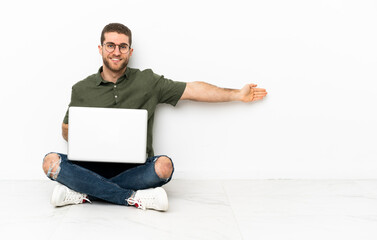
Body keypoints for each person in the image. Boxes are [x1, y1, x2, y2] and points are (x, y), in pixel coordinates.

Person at [42, 23, 268, 211]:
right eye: (111, 45)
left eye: (123, 46)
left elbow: (192, 90)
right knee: (50, 162)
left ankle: (84, 191)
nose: (116, 51)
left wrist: (237, 94)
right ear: (101, 49)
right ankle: (133, 198)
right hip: (91, 167)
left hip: (135, 169)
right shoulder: (82, 88)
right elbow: (66, 130)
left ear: (130, 51)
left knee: (164, 167)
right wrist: (81, 132)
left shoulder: (148, 81)